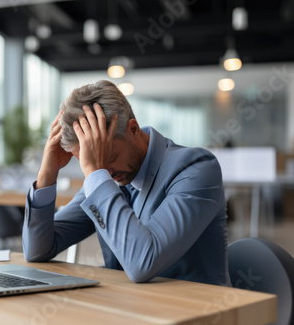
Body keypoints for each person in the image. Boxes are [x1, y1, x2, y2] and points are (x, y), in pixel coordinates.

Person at [22, 80, 231, 286]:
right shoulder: (107, 176)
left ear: (132, 129)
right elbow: (37, 250)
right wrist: (47, 174)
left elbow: (143, 263)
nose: (106, 172)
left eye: (108, 157)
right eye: (91, 160)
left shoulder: (196, 168)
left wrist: (96, 171)